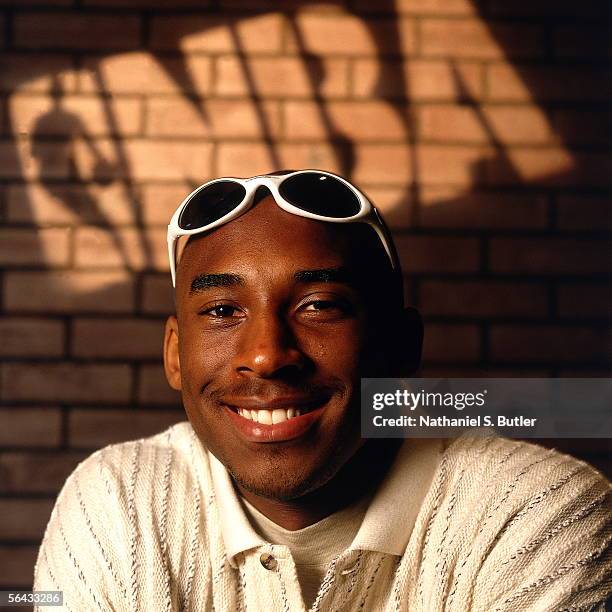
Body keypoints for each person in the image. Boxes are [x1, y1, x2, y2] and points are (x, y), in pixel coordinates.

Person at [34, 170, 611, 611]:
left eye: (321, 306)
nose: (266, 353)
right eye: (222, 310)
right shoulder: (117, 500)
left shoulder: (537, 510)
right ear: (174, 355)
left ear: (402, 346)